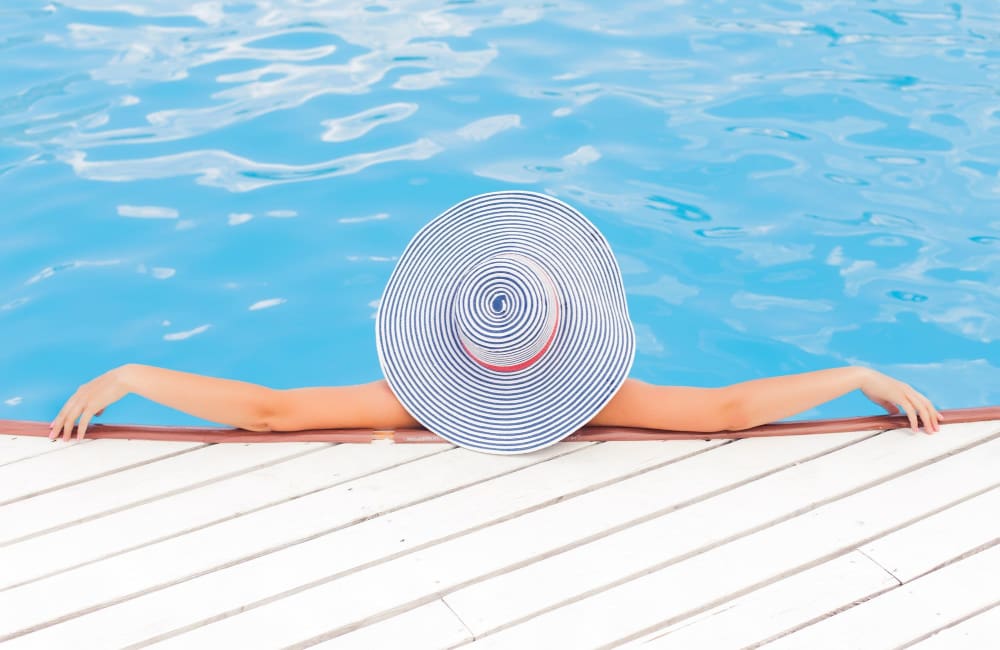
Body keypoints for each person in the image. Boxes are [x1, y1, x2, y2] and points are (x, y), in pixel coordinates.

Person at [48, 192, 943, 447]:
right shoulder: (603, 400)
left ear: (449, 335)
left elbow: (270, 410)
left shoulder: (407, 402)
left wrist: (135, 375)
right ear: (570, 331)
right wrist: (854, 375)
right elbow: (726, 411)